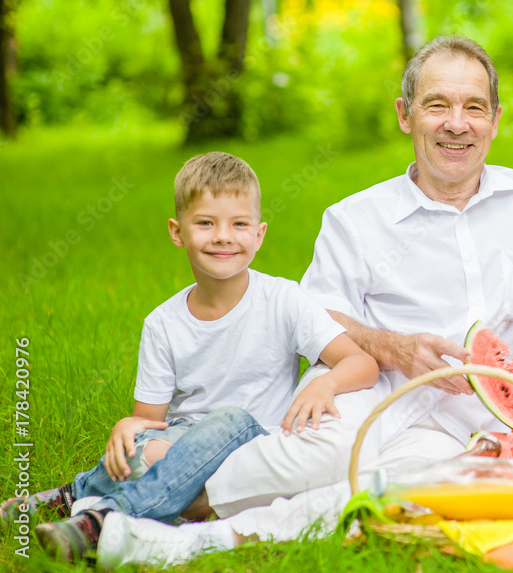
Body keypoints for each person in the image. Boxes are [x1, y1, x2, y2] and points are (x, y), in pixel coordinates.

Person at [91, 35, 513, 568]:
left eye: (474, 108)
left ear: (496, 120)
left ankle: (173, 533)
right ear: (405, 115)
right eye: (437, 105)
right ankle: (122, 495)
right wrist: (396, 348)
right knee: (327, 455)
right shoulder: (354, 218)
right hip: (365, 382)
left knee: (395, 488)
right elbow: (318, 312)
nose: (456, 124)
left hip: (458, 416)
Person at [8, 152, 379, 563]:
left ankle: (102, 517)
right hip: (179, 444)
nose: (223, 237)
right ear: (177, 231)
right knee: (145, 453)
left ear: (259, 234)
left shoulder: (284, 299)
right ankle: (78, 500)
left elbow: (363, 364)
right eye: (205, 223)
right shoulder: (162, 323)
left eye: (239, 224)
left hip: (253, 445)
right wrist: (127, 426)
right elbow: (149, 419)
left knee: (229, 419)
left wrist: (326, 383)